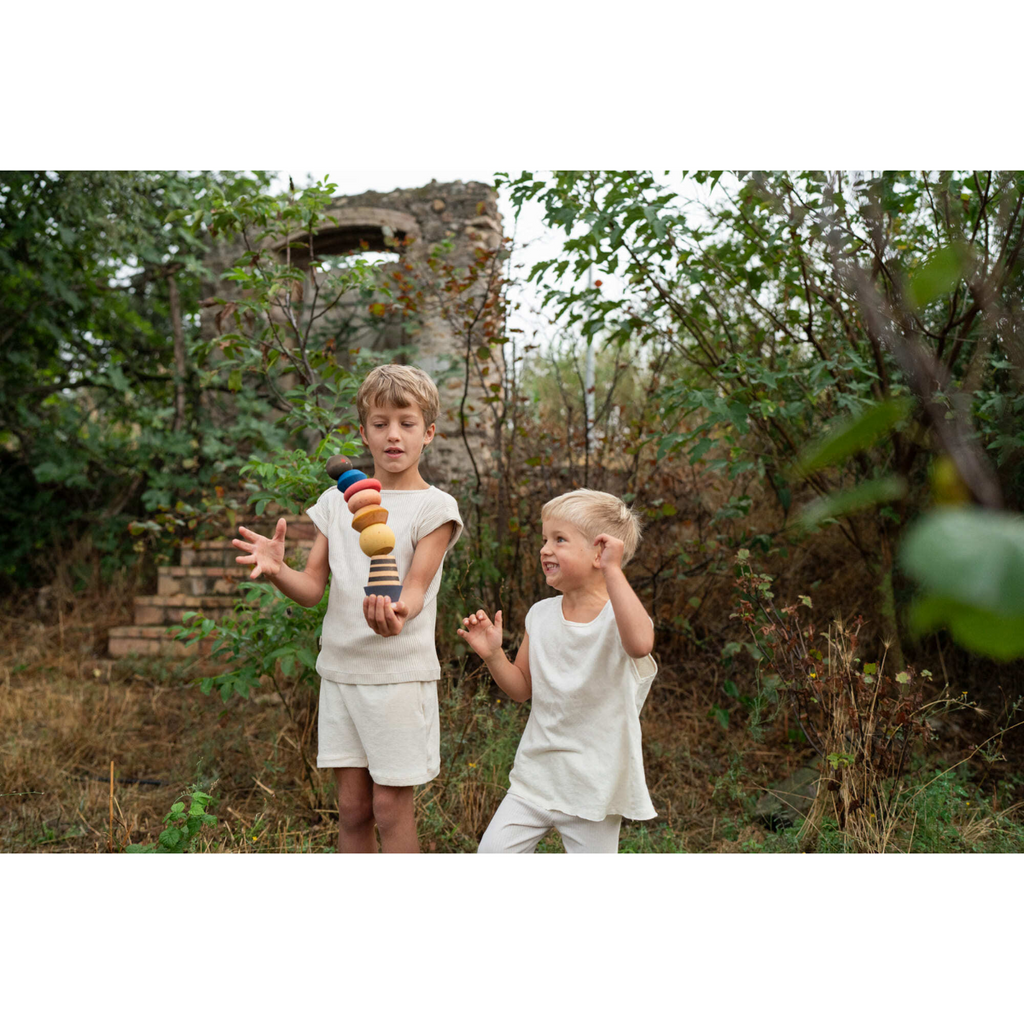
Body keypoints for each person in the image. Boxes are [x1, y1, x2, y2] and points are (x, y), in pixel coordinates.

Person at [232, 364, 462, 853]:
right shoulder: (336, 502)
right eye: (380, 424)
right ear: (363, 432)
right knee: (354, 810)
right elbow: (311, 589)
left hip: (399, 676)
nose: (393, 435)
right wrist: (278, 570)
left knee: (390, 808)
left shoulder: (436, 507)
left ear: (428, 433)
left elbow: (415, 588)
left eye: (406, 423)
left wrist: (398, 614)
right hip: (340, 671)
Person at [458, 488, 657, 854]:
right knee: (492, 854)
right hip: (536, 775)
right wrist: (494, 655)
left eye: (559, 539)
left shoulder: (619, 617)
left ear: (599, 553)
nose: (545, 549)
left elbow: (641, 644)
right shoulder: (540, 615)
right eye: (544, 539)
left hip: (594, 785)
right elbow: (521, 689)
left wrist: (613, 570)